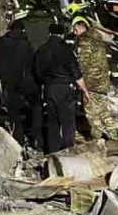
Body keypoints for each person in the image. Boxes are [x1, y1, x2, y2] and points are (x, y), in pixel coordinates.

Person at [34, 21, 90, 154]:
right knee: (68, 122)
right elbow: (76, 72)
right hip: (65, 89)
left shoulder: (42, 50)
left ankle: (53, 151)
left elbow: (37, 70)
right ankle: (68, 150)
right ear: (62, 34)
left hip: (49, 88)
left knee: (52, 121)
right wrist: (85, 91)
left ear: (49, 33)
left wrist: (45, 83)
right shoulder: (67, 50)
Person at [0, 19, 39, 147]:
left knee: (13, 112)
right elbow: (33, 63)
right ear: (23, 29)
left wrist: (0, 75)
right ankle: (35, 137)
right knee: (34, 107)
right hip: (25, 81)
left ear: (10, 29)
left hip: (8, 82)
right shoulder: (27, 43)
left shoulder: (0, 42)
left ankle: (18, 140)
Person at [71, 16, 118, 143]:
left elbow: (82, 64)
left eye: (74, 29)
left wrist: (78, 80)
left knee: (91, 114)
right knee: (103, 111)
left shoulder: (84, 42)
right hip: (103, 82)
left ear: (78, 27)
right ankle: (115, 137)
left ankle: (96, 139)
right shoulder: (97, 39)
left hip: (91, 83)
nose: (73, 32)